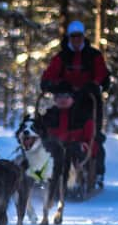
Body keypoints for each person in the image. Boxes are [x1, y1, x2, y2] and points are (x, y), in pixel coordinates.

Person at [41, 20, 109, 188]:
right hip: (65, 99)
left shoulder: (93, 55)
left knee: (94, 136)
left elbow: (102, 75)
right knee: (49, 124)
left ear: (83, 37)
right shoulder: (62, 57)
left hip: (89, 101)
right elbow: (50, 74)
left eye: (79, 36)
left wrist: (94, 84)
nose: (76, 40)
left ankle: (97, 172)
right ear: (69, 38)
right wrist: (50, 84)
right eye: (73, 37)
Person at [42, 81, 101, 185]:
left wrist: (87, 148)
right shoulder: (48, 116)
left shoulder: (83, 117)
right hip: (52, 152)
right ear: (55, 99)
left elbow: (92, 140)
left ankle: (75, 181)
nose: (63, 99)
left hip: (76, 153)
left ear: (72, 98)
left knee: (72, 150)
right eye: (59, 96)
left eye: (66, 96)